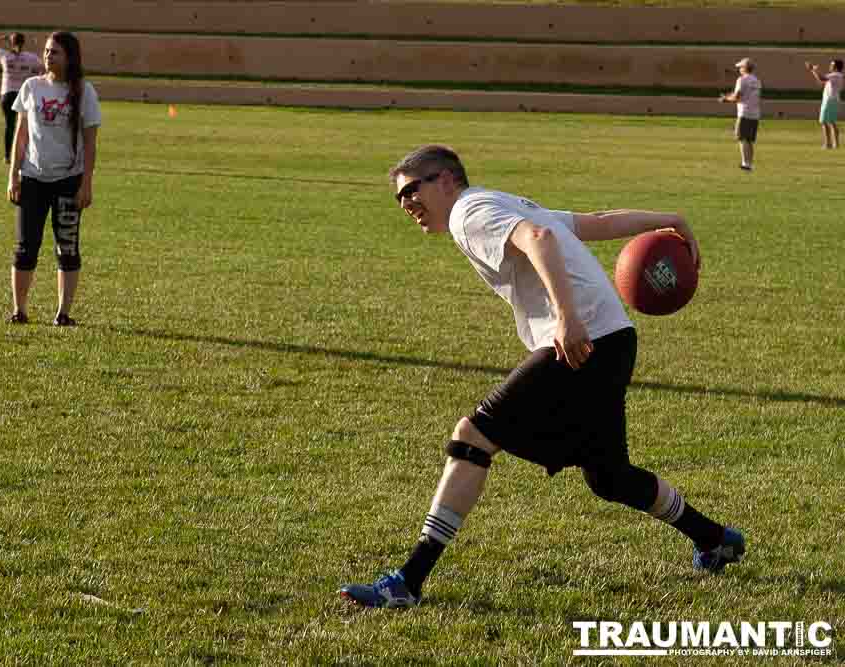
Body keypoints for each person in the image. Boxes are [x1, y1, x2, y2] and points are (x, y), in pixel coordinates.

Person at [339, 145, 745, 609]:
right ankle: (716, 539)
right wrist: (668, 218)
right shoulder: (500, 201)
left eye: (413, 189)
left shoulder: (468, 212)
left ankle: (408, 582)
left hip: (583, 339)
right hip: (613, 338)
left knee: (473, 436)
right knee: (609, 477)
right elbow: (595, 222)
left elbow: (540, 239)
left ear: (447, 180)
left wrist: (567, 318)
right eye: (400, 197)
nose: (407, 203)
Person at [6, 31, 101, 327]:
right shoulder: (31, 87)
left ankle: (63, 313)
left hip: (68, 180)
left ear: (70, 58)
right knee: (25, 246)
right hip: (33, 178)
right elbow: (20, 136)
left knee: (67, 247)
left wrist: (86, 183)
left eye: (55, 52)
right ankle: (19, 310)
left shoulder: (84, 92)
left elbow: (90, 142)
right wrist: (14, 176)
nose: (48, 56)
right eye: (47, 51)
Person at [0, 32, 43, 164]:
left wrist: (4, 38)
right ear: (23, 43)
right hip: (23, 95)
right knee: (27, 125)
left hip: (7, 94)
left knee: (9, 125)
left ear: (11, 43)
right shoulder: (31, 58)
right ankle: (28, 155)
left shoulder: (5, 55)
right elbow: (43, 67)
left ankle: (7, 156)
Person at [719, 58, 762, 172]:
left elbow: (737, 97)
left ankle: (745, 163)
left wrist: (725, 99)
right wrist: (730, 96)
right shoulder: (757, 80)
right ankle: (750, 164)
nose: (739, 70)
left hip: (744, 112)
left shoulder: (741, 80)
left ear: (744, 68)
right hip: (755, 113)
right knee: (749, 140)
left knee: (742, 138)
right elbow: (744, 94)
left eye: (740, 67)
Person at [805, 59, 844, 149]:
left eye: (832, 65)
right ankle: (835, 144)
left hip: (830, 100)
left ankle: (828, 144)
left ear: (836, 67)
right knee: (831, 122)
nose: (830, 66)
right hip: (833, 100)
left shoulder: (835, 75)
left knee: (824, 121)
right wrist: (813, 71)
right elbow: (821, 81)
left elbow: (822, 78)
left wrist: (813, 69)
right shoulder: (837, 75)